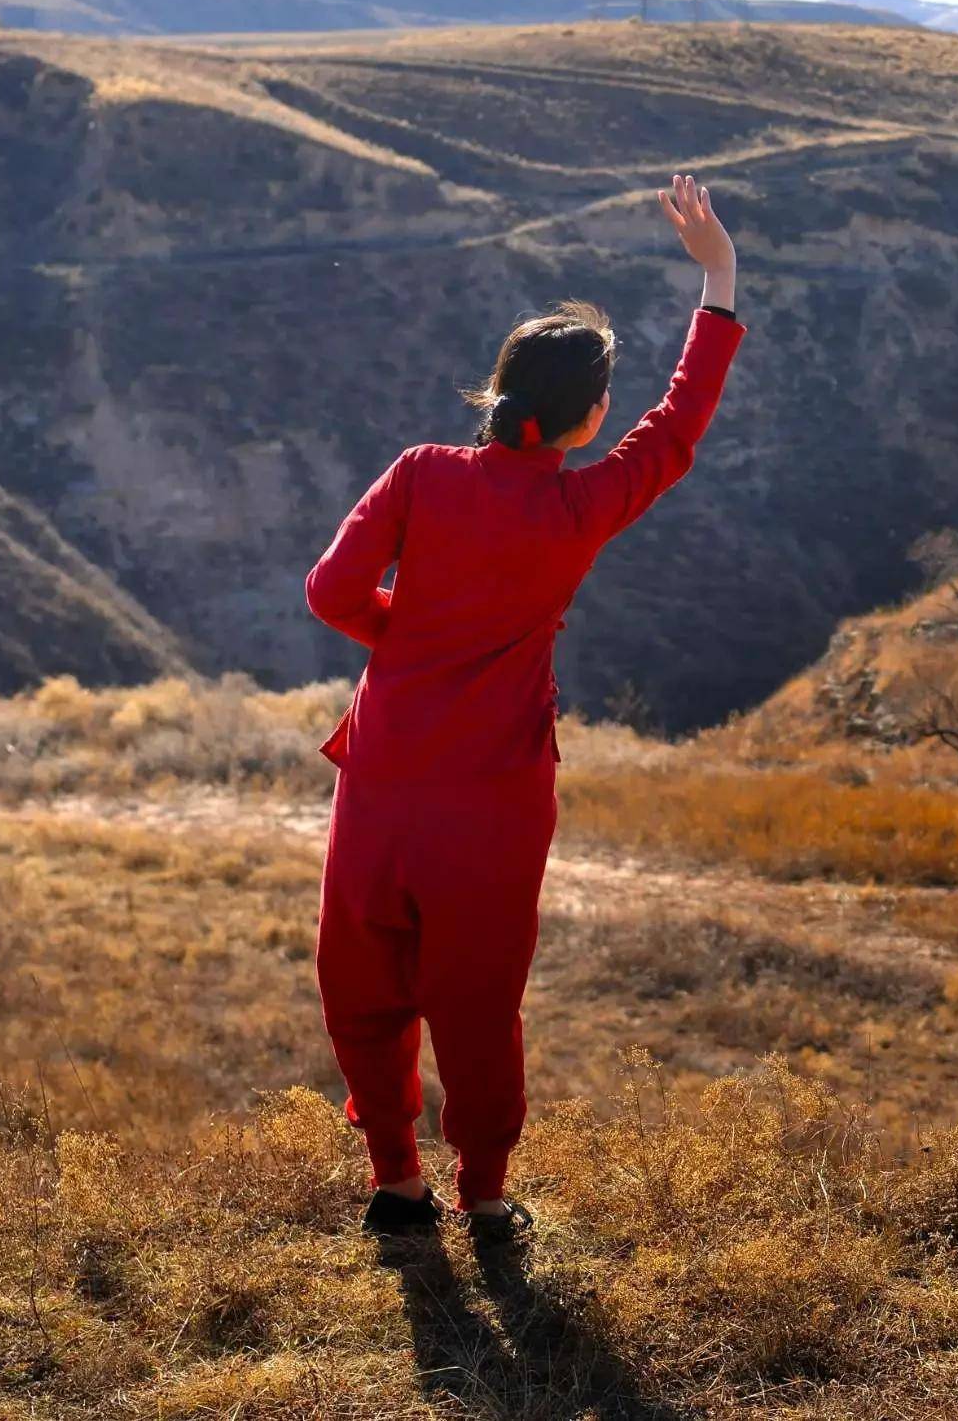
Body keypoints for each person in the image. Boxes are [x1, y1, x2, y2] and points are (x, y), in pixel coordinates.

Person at [304, 174, 742, 1245]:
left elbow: (328, 591)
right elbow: (676, 428)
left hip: (384, 772)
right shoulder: (582, 502)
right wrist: (718, 278)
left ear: (502, 394)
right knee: (478, 990)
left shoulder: (421, 472)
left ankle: (396, 1184)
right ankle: (486, 1197)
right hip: (493, 793)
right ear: (589, 417)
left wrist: (411, 635)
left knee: (362, 968)